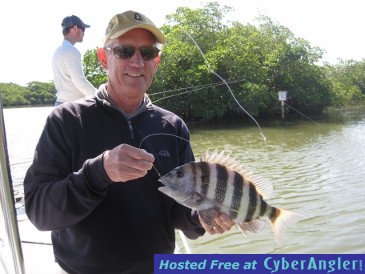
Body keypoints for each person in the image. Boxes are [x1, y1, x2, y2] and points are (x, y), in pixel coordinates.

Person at [24, 10, 234, 274]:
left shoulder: (173, 126)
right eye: (124, 51)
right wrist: (98, 172)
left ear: (155, 61)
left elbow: (178, 210)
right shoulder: (66, 120)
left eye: (147, 53)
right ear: (104, 58)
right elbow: (39, 211)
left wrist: (202, 218)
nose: (137, 62)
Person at [52, 15, 96, 105]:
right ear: (75, 28)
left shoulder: (58, 50)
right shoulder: (70, 50)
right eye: (83, 29)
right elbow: (79, 81)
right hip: (72, 106)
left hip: (61, 104)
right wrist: (98, 95)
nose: (84, 33)